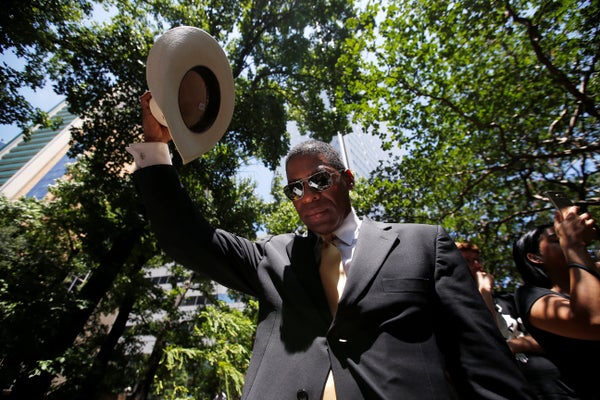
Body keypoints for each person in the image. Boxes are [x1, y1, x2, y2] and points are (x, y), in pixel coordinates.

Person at [128, 91, 534, 399]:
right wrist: (155, 144)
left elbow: (484, 363)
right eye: (295, 189)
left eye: (320, 180)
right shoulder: (272, 256)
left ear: (348, 179)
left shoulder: (424, 244)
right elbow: (186, 237)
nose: (308, 195)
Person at [457, 241, 574, 399]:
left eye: (478, 260)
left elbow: (551, 338)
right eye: (468, 261)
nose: (478, 266)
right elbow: (486, 340)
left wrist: (511, 345)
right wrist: (484, 293)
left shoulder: (513, 299)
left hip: (555, 386)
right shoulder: (456, 307)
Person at [513, 207, 600, 400]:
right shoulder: (530, 296)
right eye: (556, 239)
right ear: (535, 257)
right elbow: (594, 321)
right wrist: (573, 245)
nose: (564, 239)